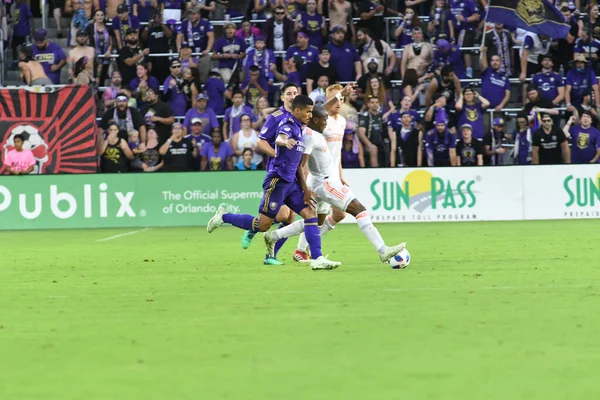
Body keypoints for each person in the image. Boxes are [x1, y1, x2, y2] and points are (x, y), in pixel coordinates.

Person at [207, 95, 342, 270]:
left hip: (292, 183)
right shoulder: (287, 125)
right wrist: (285, 141)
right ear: (297, 110)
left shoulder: (302, 127)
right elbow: (280, 138)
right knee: (263, 225)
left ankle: (317, 258)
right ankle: (224, 216)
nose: (310, 115)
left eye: (311, 112)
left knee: (310, 215)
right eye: (308, 112)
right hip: (277, 181)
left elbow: (298, 165)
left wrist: (305, 190)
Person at [263, 104, 406, 264]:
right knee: (359, 209)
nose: (326, 124)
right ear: (316, 120)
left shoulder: (314, 133)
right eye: (325, 121)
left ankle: (274, 236)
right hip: (325, 183)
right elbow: (300, 165)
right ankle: (383, 250)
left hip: (320, 181)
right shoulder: (309, 136)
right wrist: (304, 189)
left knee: (314, 221)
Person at [176, 7, 214, 82]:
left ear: (199, 15)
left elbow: (211, 37)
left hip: (202, 53)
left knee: (206, 60)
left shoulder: (205, 23)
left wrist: (208, 49)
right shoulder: (185, 23)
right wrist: (179, 50)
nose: (192, 16)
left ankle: (202, 84)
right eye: (190, 14)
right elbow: (179, 37)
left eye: (194, 14)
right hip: (188, 54)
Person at [479, 46, 511, 113]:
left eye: (497, 60)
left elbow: (507, 95)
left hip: (499, 109)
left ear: (500, 63)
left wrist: (501, 105)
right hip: (485, 109)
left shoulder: (505, 78)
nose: (495, 62)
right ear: (490, 62)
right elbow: (483, 65)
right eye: (492, 60)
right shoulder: (487, 72)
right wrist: (483, 52)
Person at [358, 95, 387, 168]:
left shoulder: (380, 116)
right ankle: (375, 172)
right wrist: (369, 145)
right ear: (368, 104)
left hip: (380, 143)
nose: (375, 104)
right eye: (372, 102)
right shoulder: (365, 116)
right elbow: (361, 134)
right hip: (368, 144)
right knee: (374, 149)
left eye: (377, 102)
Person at [85, 10, 112, 86]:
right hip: (93, 57)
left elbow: (111, 42)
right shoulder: (89, 27)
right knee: (93, 77)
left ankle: (100, 95)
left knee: (102, 78)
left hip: (105, 56)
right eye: (98, 15)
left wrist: (109, 51)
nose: (100, 17)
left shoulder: (108, 28)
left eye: (102, 15)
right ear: (94, 17)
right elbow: (86, 41)